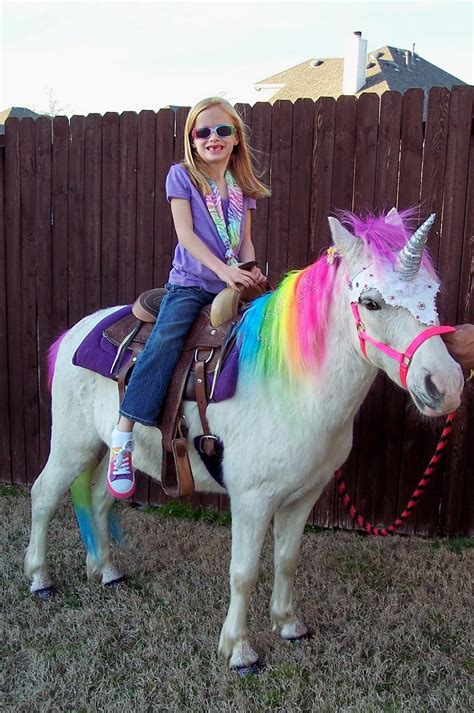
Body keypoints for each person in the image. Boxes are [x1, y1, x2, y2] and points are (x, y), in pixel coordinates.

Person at [107, 97, 271, 498]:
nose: (212, 138)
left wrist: (250, 271)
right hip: (191, 284)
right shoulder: (181, 176)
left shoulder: (241, 189)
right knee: (165, 343)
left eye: (222, 130)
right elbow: (187, 236)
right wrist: (225, 271)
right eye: (203, 132)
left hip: (232, 282)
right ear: (192, 140)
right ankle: (123, 437)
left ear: (235, 138)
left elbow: (244, 241)